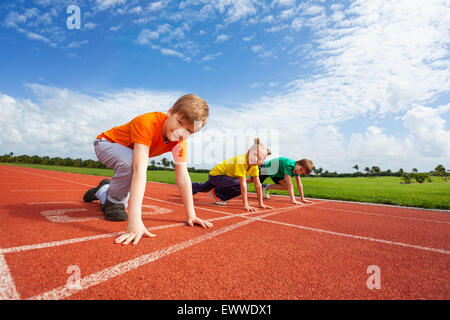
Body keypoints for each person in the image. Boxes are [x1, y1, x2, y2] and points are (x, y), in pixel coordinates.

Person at [83, 94, 213, 246]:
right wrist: (135, 221)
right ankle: (112, 201)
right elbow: (139, 169)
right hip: (105, 144)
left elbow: (183, 177)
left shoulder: (180, 142)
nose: (180, 132)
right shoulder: (148, 123)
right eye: (179, 122)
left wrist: (191, 214)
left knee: (129, 168)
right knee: (131, 164)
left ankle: (103, 191)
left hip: (128, 156)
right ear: (170, 112)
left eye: (188, 131)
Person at [192, 138, 273, 212]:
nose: (256, 159)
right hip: (217, 175)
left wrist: (261, 203)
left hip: (223, 177)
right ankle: (217, 194)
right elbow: (243, 185)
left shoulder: (254, 166)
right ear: (248, 152)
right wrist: (246, 205)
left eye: (260, 158)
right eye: (255, 155)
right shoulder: (241, 160)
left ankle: (188, 188)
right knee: (243, 185)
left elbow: (258, 185)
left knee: (203, 187)